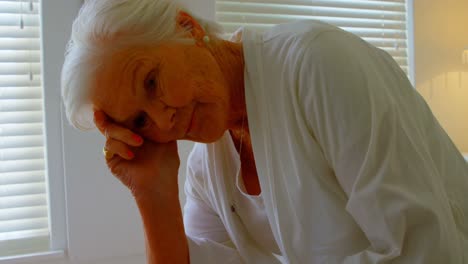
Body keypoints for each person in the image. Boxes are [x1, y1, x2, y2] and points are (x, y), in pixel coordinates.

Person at [61, 0, 468, 263]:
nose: (163, 121)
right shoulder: (209, 167)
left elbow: (426, 250)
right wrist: (153, 193)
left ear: (187, 28)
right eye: (138, 122)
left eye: (151, 81)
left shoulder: (317, 65)